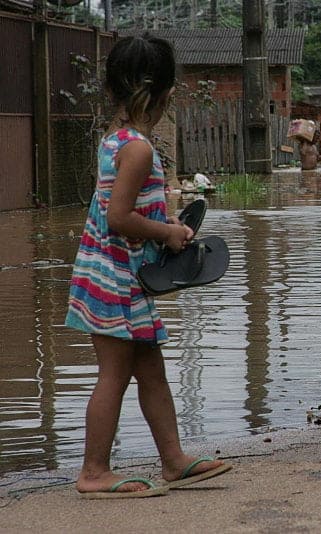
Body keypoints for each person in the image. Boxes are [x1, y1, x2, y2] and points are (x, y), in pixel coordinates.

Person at [65, 33, 230, 498]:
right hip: (116, 276)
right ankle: (94, 472)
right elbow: (119, 218)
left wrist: (163, 219)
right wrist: (170, 233)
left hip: (119, 273)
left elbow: (125, 207)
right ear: (164, 93)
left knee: (151, 371)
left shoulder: (119, 140)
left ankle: (174, 461)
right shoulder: (137, 148)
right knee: (113, 374)